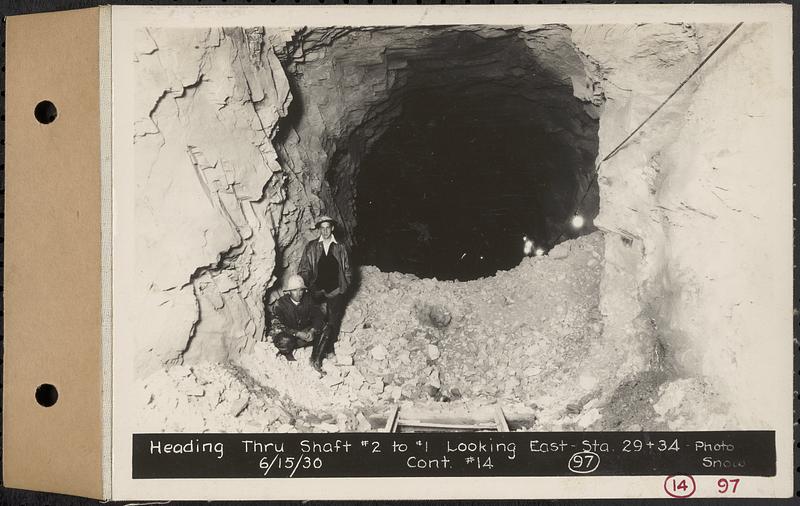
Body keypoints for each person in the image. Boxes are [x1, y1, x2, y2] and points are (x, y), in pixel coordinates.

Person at [298, 215, 352, 371]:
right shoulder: (312, 247)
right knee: (319, 320)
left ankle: (328, 349)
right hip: (317, 290)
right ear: (319, 229)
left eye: (328, 227)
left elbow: (348, 270)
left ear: (332, 228)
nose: (326, 230)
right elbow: (304, 268)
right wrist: (307, 284)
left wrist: (344, 287)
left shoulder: (341, 247)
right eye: (323, 227)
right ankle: (317, 351)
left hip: (335, 290)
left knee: (333, 321)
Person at [266, 274, 325, 364]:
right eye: (294, 290)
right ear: (289, 291)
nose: (299, 293)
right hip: (291, 338)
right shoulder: (280, 304)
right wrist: (296, 333)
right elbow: (277, 325)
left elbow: (318, 316)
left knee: (327, 328)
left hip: (305, 336)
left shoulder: (308, 300)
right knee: (282, 340)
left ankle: (315, 358)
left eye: (301, 290)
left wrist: (312, 330)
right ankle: (287, 353)